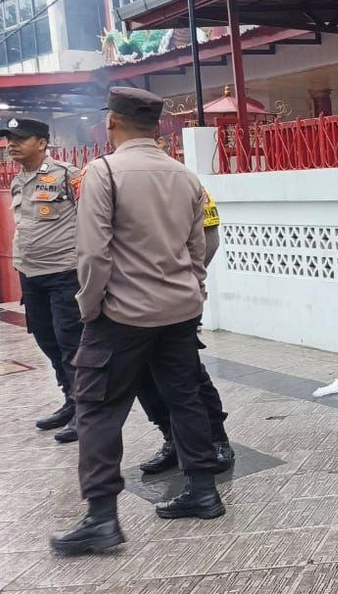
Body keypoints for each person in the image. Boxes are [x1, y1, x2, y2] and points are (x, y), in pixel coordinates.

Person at [51, 88, 226, 556]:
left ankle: (101, 518)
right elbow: (198, 248)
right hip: (179, 310)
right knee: (184, 397)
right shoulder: (185, 175)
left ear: (112, 121)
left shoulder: (104, 172)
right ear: (155, 126)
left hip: (121, 314)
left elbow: (92, 253)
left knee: (97, 408)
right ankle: (203, 490)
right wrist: (194, 293)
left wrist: (90, 307)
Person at [135, 182, 235, 475]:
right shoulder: (103, 179)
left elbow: (209, 239)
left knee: (187, 373)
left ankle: (216, 439)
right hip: (128, 301)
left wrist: (183, 283)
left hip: (174, 299)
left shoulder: (186, 183)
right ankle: (171, 438)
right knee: (141, 372)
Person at [4, 117, 84, 443]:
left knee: (70, 342)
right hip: (30, 275)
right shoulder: (18, 181)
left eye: (20, 138)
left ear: (41, 143)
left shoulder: (68, 175)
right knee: (46, 340)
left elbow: (93, 217)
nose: (11, 144)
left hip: (65, 273)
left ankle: (84, 411)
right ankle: (70, 399)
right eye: (9, 139)